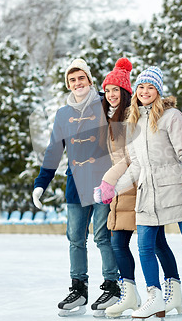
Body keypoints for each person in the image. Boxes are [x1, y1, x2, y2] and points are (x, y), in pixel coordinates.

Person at [104, 66, 182, 319]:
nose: (145, 91)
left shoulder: (171, 116)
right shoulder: (131, 122)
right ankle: (154, 298)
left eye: (150, 87)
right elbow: (135, 165)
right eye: (141, 87)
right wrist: (116, 187)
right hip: (148, 193)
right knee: (145, 246)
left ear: (158, 91)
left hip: (175, 189)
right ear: (135, 91)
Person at [93, 58, 182, 318]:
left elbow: (131, 158)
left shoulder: (132, 115)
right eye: (107, 89)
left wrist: (110, 181)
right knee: (121, 243)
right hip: (121, 186)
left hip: (138, 185)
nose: (111, 95)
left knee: (154, 243)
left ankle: (167, 292)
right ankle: (133, 293)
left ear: (126, 92)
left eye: (116, 90)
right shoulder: (112, 118)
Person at [31, 58, 120, 317]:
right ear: (68, 85)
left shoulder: (105, 103)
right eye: (72, 80)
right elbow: (53, 151)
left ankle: (112, 288)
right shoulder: (63, 113)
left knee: (103, 236)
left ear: (90, 80)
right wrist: (41, 184)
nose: (77, 83)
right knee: (75, 239)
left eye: (81, 78)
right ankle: (79, 290)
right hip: (75, 185)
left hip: (104, 182)